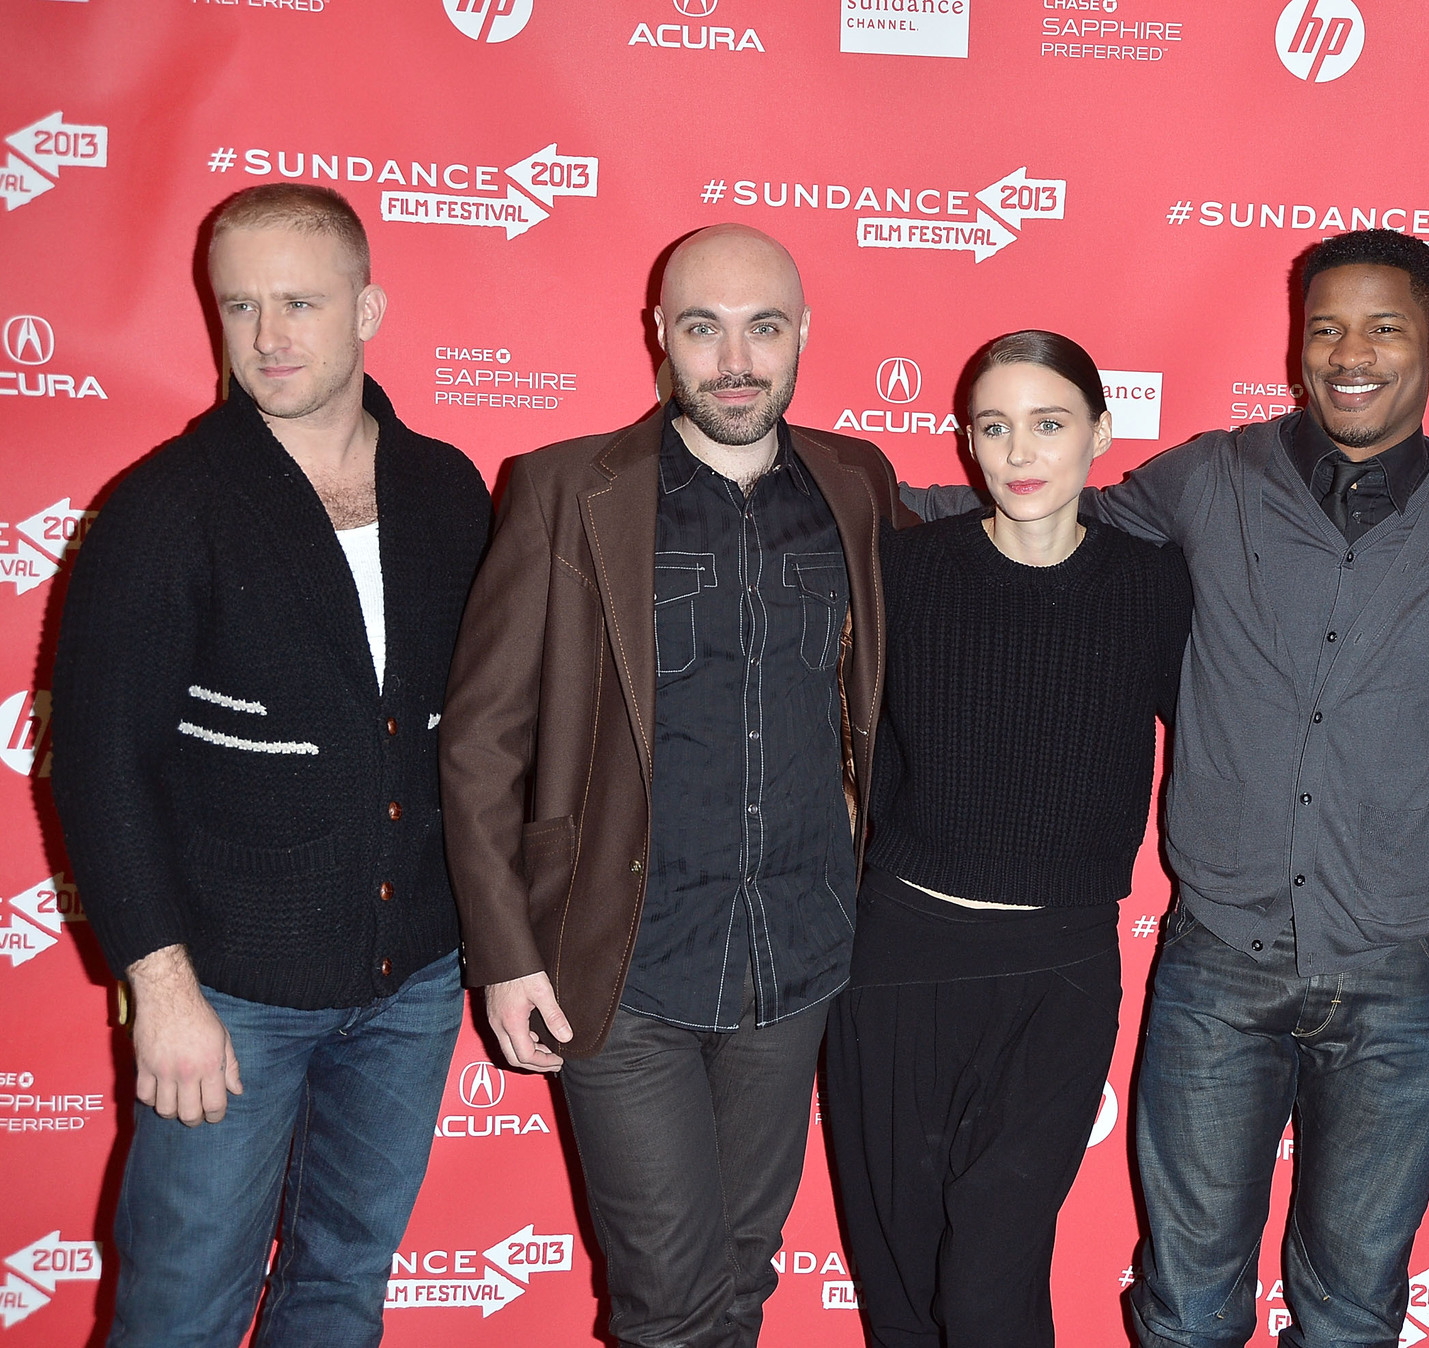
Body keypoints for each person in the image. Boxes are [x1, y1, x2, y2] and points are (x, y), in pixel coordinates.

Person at [904, 228, 1429, 1347]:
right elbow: (1041, 516)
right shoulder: (1208, 478)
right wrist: (830, 496)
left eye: (1384, 326)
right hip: (1215, 964)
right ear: (1296, 347)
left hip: (1394, 969)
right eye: (1325, 328)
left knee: (1352, 1312)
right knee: (1188, 1306)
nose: (1351, 352)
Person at [439, 224, 915, 1348]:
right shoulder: (563, 489)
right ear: (660, 336)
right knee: (663, 1302)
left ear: (801, 336)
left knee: (740, 1282)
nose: (734, 359)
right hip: (622, 965)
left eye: (763, 328)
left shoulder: (858, 486)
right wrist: (505, 953)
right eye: (703, 329)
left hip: (799, 959)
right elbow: (478, 742)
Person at [50, 183, 491, 1346]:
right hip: (228, 994)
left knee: (342, 1285)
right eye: (240, 306)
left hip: (411, 984)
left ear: (368, 307)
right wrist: (164, 989)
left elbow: (484, 736)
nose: (269, 337)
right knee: (181, 1306)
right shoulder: (166, 507)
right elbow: (100, 766)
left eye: (299, 301)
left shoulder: (448, 491)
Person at [828, 331, 1192, 1347]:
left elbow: (1242, 729)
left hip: (1059, 972)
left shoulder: (1154, 584)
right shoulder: (902, 570)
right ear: (967, 445)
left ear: (1099, 435)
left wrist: (1390, 764)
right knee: (899, 1287)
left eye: (1048, 422)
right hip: (897, 960)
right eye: (995, 426)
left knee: (991, 1274)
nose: (1020, 450)